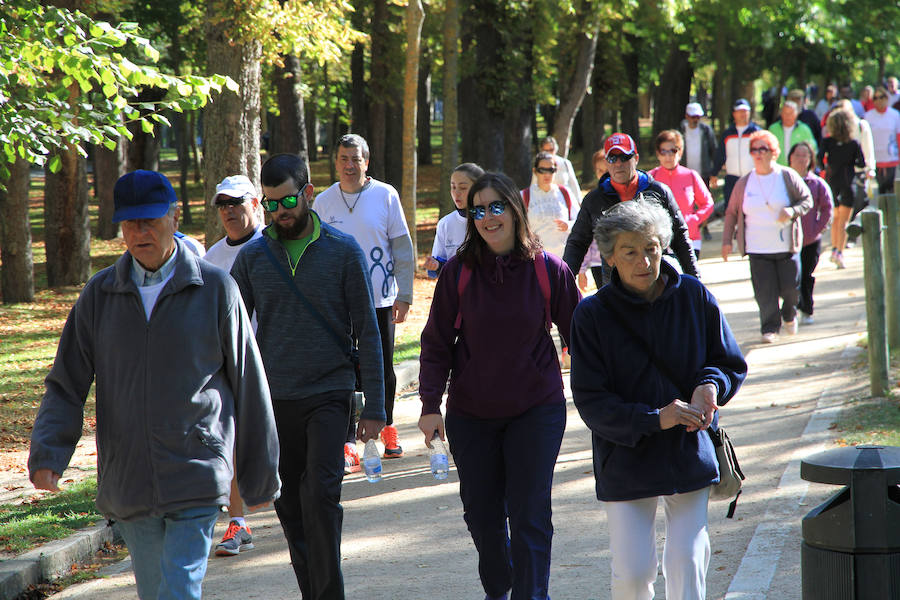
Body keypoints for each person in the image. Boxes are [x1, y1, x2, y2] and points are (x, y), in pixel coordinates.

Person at [28, 170, 281, 600]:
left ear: (174, 217)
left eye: (150, 221)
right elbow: (67, 382)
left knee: (178, 590)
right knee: (155, 592)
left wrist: (260, 473)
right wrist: (50, 451)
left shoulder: (215, 288)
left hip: (196, 471)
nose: (139, 233)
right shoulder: (100, 295)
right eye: (130, 223)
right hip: (129, 479)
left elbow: (248, 380)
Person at [569, 198, 747, 600]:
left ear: (663, 246)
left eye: (651, 248)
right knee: (633, 573)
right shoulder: (591, 315)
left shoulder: (695, 297)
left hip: (688, 451)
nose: (644, 261)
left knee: (687, 560)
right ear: (610, 258)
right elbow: (591, 401)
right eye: (630, 251)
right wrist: (655, 418)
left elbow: (727, 362)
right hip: (625, 457)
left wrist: (711, 386)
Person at [418, 172, 582, 600]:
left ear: (514, 209)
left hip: (537, 409)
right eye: (478, 210)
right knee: (483, 518)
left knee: (529, 514)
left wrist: (607, 396)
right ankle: (499, 589)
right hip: (472, 414)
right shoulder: (458, 273)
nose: (489, 218)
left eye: (497, 207)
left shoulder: (548, 270)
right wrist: (430, 404)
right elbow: (436, 341)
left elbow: (582, 337)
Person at [230, 153, 385, 599]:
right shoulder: (254, 258)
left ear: (309, 193)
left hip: (329, 395)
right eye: (272, 202)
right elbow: (231, 330)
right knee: (291, 508)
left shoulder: (343, 251)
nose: (282, 210)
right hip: (276, 401)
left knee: (320, 496)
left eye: (289, 199)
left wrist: (375, 406)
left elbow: (369, 333)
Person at [314, 134, 414, 465]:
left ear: (366, 162)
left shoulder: (386, 195)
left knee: (382, 368)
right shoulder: (324, 202)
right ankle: (346, 441)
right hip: (336, 303)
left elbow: (401, 247)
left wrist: (405, 293)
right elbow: (315, 253)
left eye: (355, 159)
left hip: (379, 299)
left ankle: (386, 428)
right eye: (343, 159)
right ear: (336, 162)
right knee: (342, 370)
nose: (349, 165)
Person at [202, 174, 266, 557]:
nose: (229, 211)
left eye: (237, 203)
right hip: (230, 362)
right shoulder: (211, 258)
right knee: (233, 441)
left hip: (276, 358)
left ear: (255, 204)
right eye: (223, 205)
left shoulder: (271, 247)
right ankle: (238, 522)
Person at [563, 132, 698, 285]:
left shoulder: (659, 192)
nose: (618, 163)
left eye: (625, 157)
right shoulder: (594, 200)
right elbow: (577, 243)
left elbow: (680, 237)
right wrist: (564, 282)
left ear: (636, 159)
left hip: (656, 281)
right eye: (612, 158)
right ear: (606, 163)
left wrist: (695, 281)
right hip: (615, 286)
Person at [722, 130, 813, 343]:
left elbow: (806, 200)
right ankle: (769, 328)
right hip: (757, 247)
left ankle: (789, 314)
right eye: (754, 149)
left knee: (791, 288)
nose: (758, 154)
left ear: (774, 152)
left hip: (785, 245)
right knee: (765, 293)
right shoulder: (744, 183)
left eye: (763, 149)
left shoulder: (787, 176)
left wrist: (791, 211)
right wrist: (727, 241)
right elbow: (731, 212)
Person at [649, 130, 715, 259]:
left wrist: (694, 220)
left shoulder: (691, 175)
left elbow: (708, 203)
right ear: (658, 153)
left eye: (673, 150)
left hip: (690, 239)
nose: (668, 156)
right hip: (659, 242)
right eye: (664, 151)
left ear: (680, 152)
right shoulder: (650, 178)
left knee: (690, 278)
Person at [788, 142, 833, 325]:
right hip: (787, 240)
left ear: (810, 159)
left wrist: (817, 228)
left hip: (810, 239)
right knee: (790, 277)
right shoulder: (783, 181)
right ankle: (792, 308)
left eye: (805, 155)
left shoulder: (817, 183)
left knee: (806, 275)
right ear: (790, 158)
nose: (801, 159)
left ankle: (807, 309)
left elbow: (828, 208)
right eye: (797, 155)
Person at [819, 109, 866, 269]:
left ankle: (834, 249)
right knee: (844, 221)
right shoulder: (853, 143)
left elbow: (819, 159)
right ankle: (839, 251)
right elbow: (861, 163)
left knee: (836, 219)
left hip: (831, 182)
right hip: (848, 183)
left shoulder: (827, 142)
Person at [425, 163, 484, 278]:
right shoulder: (445, 224)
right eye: (453, 187)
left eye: (463, 188)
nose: (456, 193)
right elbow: (440, 266)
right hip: (457, 294)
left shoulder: (492, 221)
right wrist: (435, 265)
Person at [523, 151, 580, 257]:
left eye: (551, 170)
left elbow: (580, 220)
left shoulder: (565, 192)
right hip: (536, 258)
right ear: (535, 171)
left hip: (564, 258)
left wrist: (568, 225)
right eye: (542, 170)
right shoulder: (524, 196)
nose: (547, 174)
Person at [711, 98, 762, 211]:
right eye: (739, 111)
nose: (742, 114)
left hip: (753, 177)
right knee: (731, 210)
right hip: (732, 179)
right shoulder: (728, 134)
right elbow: (721, 154)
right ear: (734, 114)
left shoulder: (757, 132)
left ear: (749, 113)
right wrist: (714, 173)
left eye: (745, 111)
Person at [864, 86, 900, 193]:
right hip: (876, 159)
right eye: (875, 98)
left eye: (881, 97)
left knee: (892, 190)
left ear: (886, 98)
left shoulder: (895, 115)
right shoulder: (868, 116)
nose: (879, 100)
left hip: (891, 158)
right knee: (881, 190)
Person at [768, 101, 817, 166]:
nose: (787, 116)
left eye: (791, 113)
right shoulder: (773, 129)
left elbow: (813, 150)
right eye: (785, 113)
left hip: (798, 170)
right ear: (781, 114)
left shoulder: (805, 130)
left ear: (796, 114)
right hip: (777, 169)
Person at [680, 102, 718, 187]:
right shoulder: (681, 131)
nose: (695, 120)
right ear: (687, 116)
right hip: (684, 174)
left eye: (698, 117)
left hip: (703, 175)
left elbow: (714, 150)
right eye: (693, 117)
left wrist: (714, 172)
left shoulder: (706, 130)